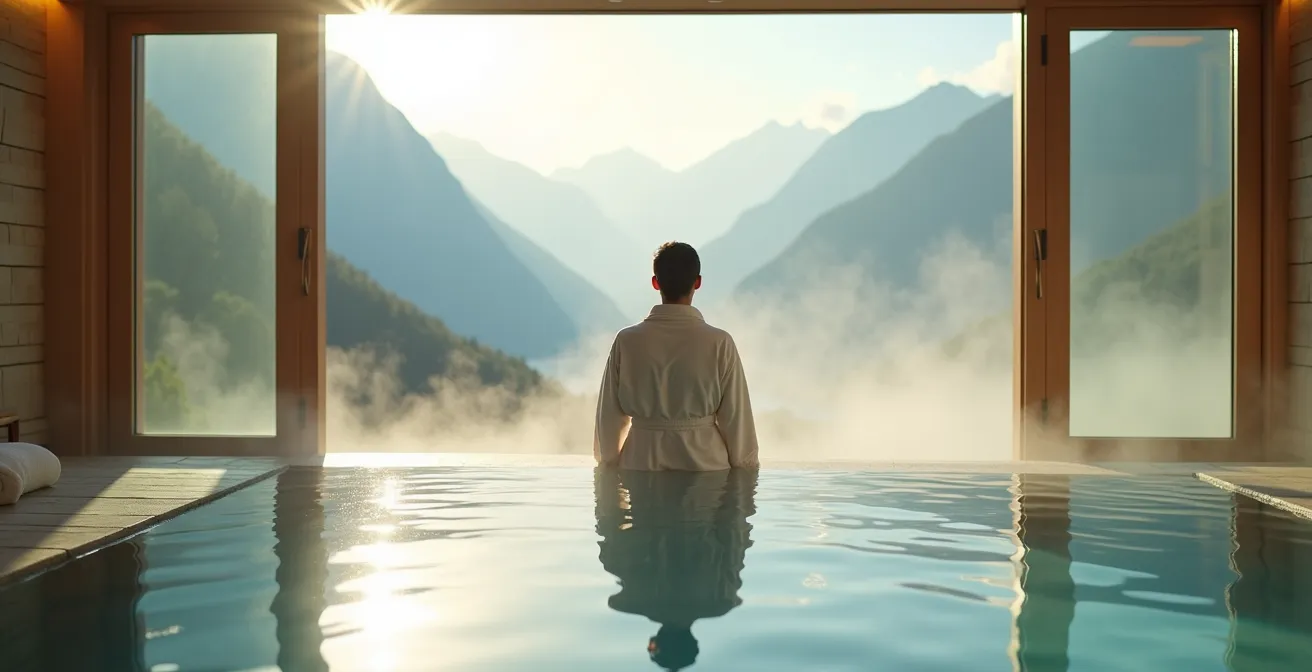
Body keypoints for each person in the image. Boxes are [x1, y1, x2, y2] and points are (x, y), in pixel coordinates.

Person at [593, 242, 760, 471]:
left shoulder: (626, 340)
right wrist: (745, 474)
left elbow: (608, 418)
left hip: (640, 464)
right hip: (706, 469)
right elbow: (737, 421)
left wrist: (608, 468)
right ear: (698, 282)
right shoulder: (720, 343)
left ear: (655, 282)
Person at [593, 467, 758, 670]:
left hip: (651, 482)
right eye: (651, 646)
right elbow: (734, 539)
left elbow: (734, 540)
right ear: (657, 641)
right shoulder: (632, 601)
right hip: (705, 479)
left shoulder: (723, 600)